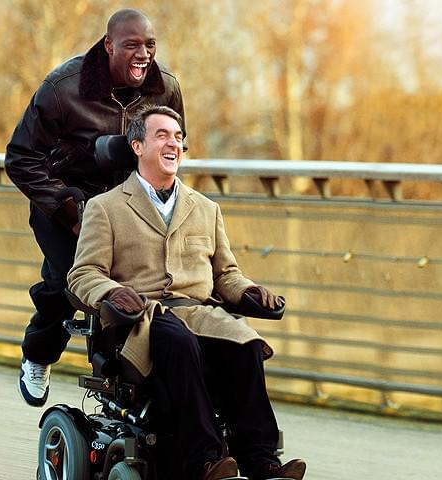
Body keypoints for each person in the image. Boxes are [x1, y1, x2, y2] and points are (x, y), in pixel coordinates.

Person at [67, 105, 306, 480]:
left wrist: (249, 291)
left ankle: (261, 461)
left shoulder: (206, 209)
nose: (173, 143)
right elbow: (83, 273)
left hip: (199, 312)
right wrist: (111, 292)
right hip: (142, 318)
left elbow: (225, 274)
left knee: (245, 344)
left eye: (178, 137)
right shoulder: (106, 207)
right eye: (162, 135)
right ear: (137, 146)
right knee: (180, 342)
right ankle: (205, 462)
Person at [4, 9, 186, 407]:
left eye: (150, 45)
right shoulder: (63, 88)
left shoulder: (165, 88)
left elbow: (172, 149)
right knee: (68, 283)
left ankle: (126, 384)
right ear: (109, 46)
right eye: (132, 45)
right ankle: (38, 354)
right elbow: (21, 158)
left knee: (142, 287)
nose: (143, 54)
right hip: (65, 200)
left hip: (129, 202)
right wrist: (67, 208)